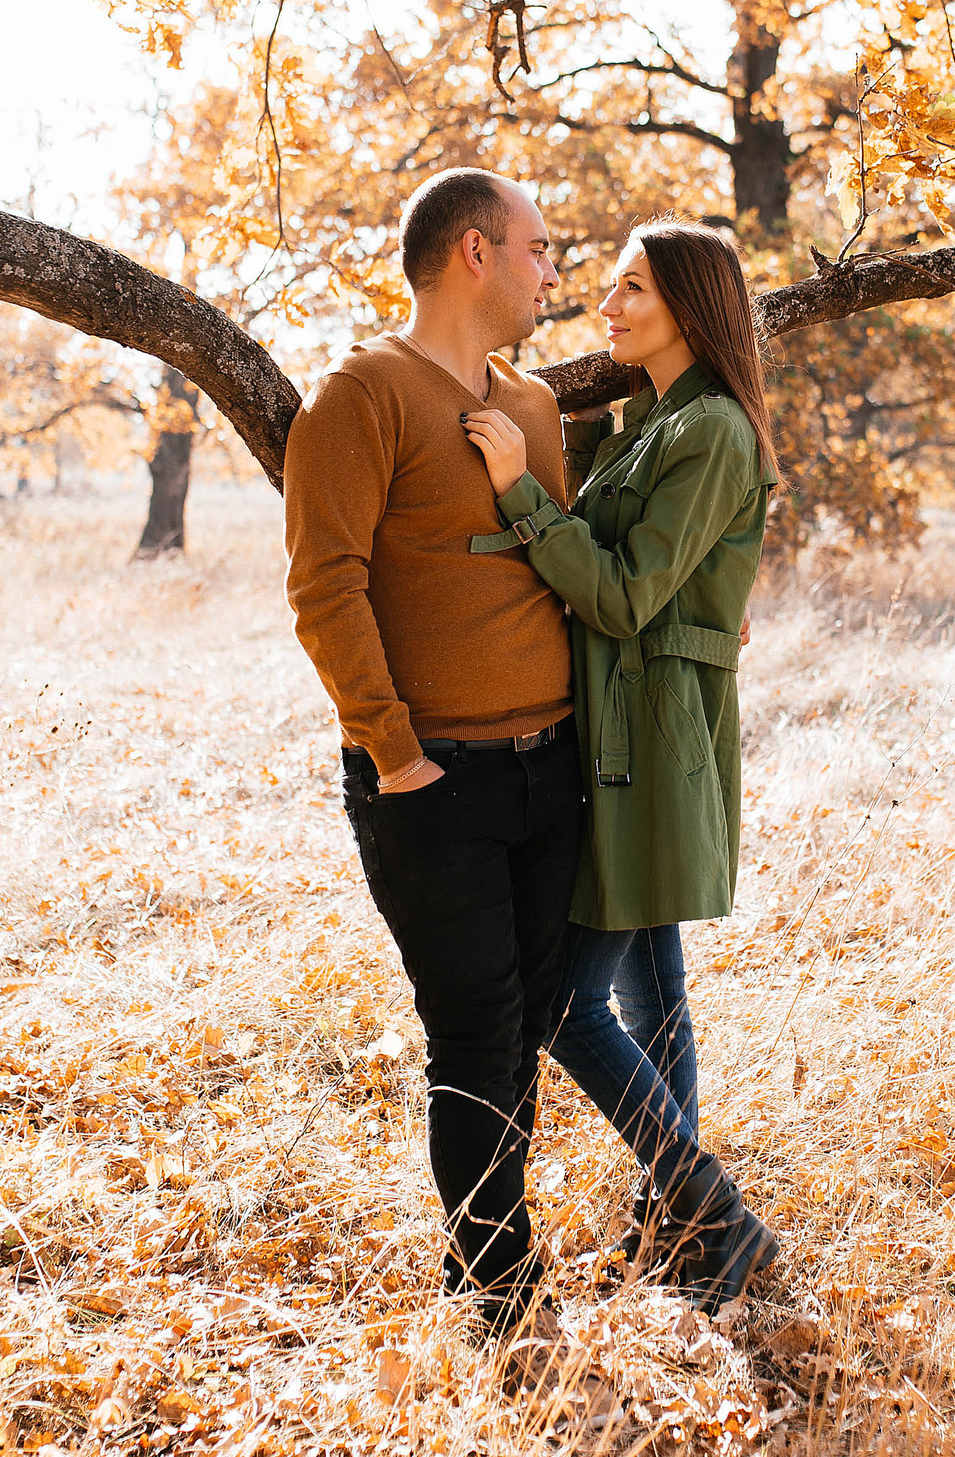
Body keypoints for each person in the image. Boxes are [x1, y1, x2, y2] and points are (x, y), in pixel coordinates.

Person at [461, 217, 781, 1311]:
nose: (606, 306)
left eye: (632, 288)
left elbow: (622, 592)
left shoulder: (714, 433)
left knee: (562, 1003)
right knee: (655, 993)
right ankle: (684, 1229)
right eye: (606, 286)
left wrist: (519, 491)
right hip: (620, 720)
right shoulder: (653, 421)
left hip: (646, 734)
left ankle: (711, 1209)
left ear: (691, 304)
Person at [282, 167, 579, 1335]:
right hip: (433, 781)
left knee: (527, 1030)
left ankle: (488, 1262)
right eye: (538, 248)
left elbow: (561, 561)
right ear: (474, 252)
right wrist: (397, 755)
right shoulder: (359, 396)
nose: (551, 271)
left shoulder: (536, 408)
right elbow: (325, 585)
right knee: (473, 1032)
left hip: (553, 771)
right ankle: (500, 1295)